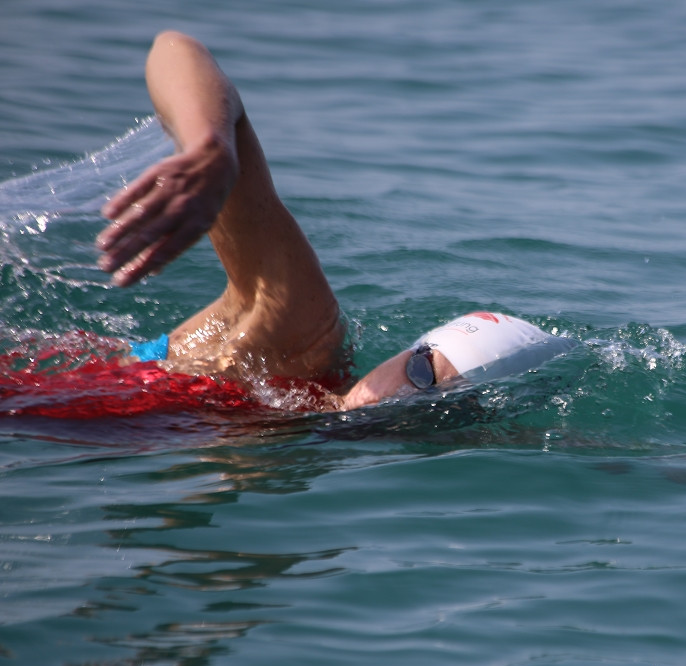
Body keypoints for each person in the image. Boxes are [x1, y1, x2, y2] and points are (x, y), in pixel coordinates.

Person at [95, 31, 572, 413]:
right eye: (421, 367)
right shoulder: (299, 340)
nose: (401, 393)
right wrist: (211, 145)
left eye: (430, 393)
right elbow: (176, 49)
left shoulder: (298, 434)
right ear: (408, 351)